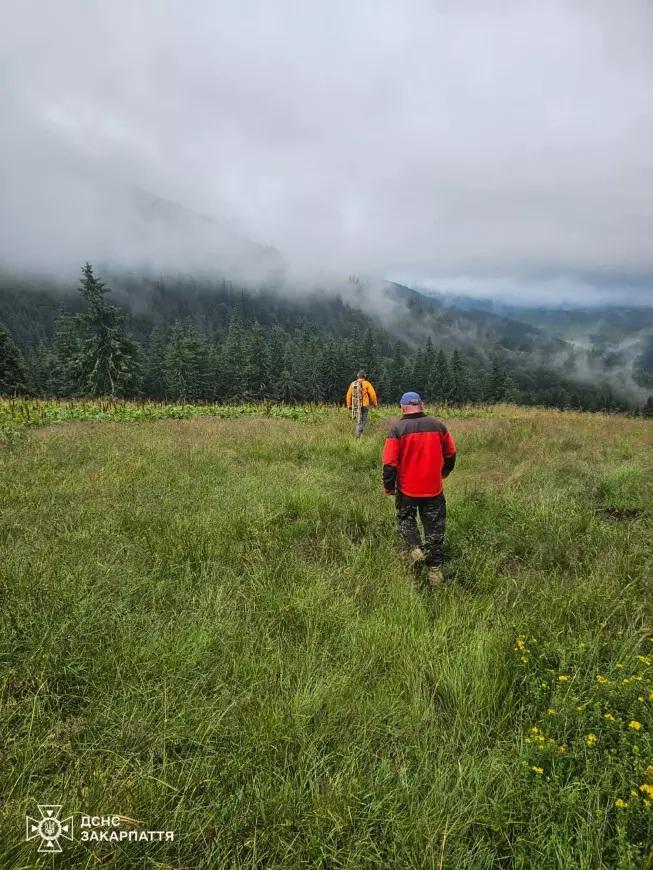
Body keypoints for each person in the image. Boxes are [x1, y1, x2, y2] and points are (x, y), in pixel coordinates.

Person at [381, 391, 456, 586]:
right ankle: (434, 573)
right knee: (435, 529)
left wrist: (389, 487)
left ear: (402, 407)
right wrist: (444, 472)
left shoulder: (397, 429)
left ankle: (415, 549)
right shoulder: (438, 426)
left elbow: (389, 463)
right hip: (434, 489)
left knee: (406, 519)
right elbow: (451, 452)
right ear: (421, 405)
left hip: (407, 490)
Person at [345, 370, 378, 437]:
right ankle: (357, 434)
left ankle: (360, 435)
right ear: (364, 377)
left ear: (358, 376)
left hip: (355, 405)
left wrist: (349, 405)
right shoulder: (367, 383)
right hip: (364, 405)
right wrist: (375, 403)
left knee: (358, 420)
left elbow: (348, 395)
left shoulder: (353, 384)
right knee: (363, 420)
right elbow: (373, 394)